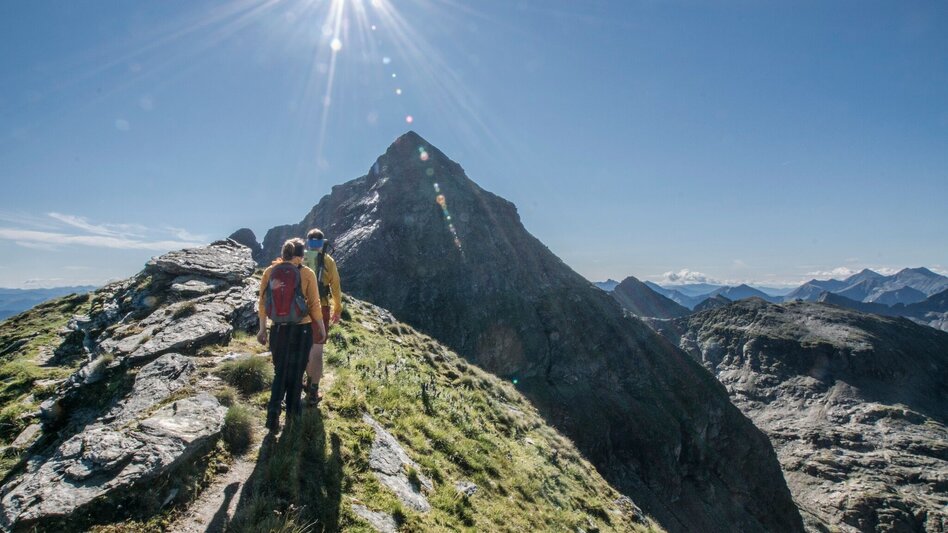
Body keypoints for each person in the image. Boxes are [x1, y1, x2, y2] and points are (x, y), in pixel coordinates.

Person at [257, 238, 326, 432]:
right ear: (301, 255)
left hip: (278, 329)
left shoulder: (269, 272)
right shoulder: (307, 273)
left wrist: (262, 329)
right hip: (301, 329)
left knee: (280, 371)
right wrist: (320, 327)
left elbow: (262, 304)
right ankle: (293, 416)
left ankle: (272, 415)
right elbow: (314, 304)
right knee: (296, 373)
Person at [302, 228, 342, 405]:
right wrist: (337, 308)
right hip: (322, 307)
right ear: (322, 242)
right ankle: (313, 391)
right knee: (317, 351)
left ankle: (299, 384)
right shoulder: (328, 260)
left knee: (302, 348)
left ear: (308, 242)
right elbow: (336, 286)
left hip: (300, 309)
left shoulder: (300, 257)